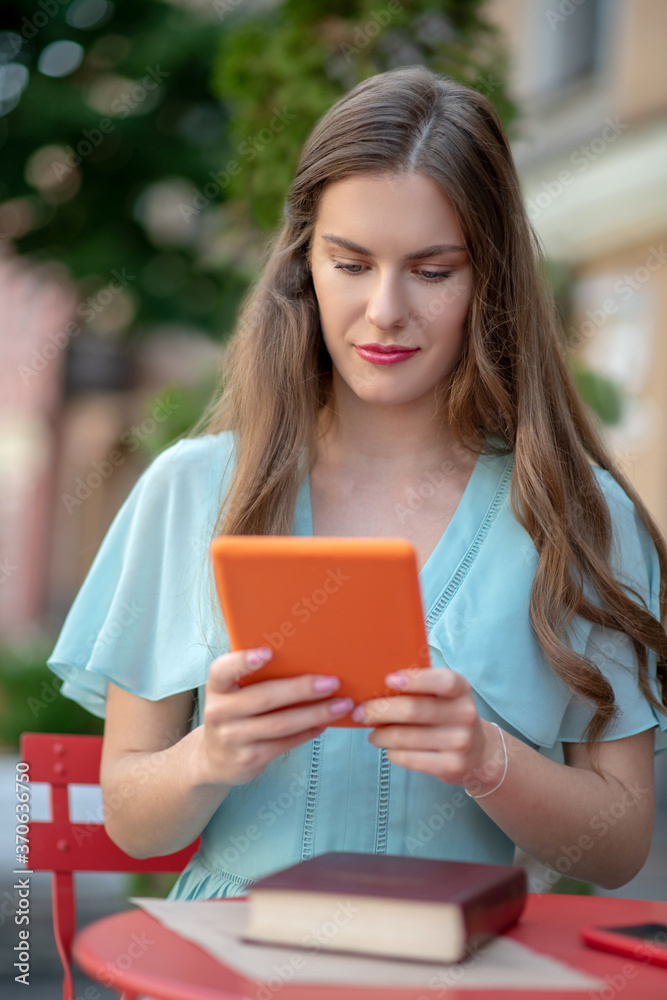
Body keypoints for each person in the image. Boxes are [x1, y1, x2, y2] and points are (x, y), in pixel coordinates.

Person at [47, 66, 667, 898]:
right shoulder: (189, 489)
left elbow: (618, 845)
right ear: (302, 264)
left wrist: (487, 759)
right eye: (350, 263)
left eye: (433, 271)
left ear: (491, 282)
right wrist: (208, 756)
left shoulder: (580, 515)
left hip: (455, 955)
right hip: (228, 954)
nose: (383, 310)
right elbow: (128, 818)